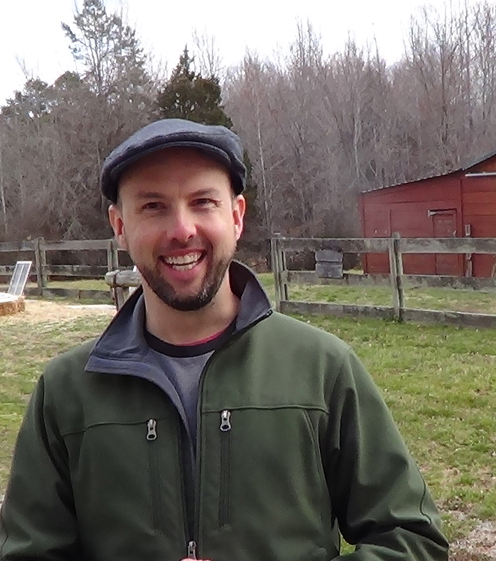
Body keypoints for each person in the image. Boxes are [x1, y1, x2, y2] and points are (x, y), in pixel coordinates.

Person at [0, 119, 448, 561]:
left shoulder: (322, 369)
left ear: (236, 216)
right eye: (153, 206)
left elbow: (411, 540)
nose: (182, 230)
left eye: (203, 202)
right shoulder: (66, 392)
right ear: (120, 226)